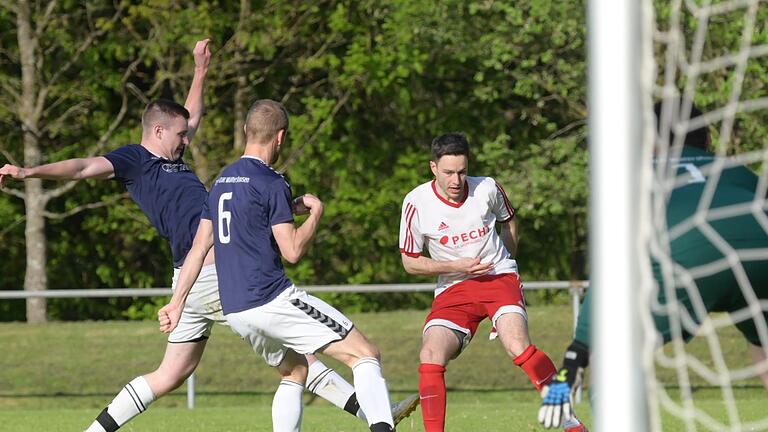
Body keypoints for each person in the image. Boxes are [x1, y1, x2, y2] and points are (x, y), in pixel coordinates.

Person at [0, 41, 416, 431]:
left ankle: (93, 430)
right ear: (158, 131)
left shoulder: (179, 156)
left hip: (191, 274)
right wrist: (29, 172)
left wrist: (201, 69)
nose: (188, 139)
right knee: (300, 356)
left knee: (171, 373)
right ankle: (375, 413)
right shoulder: (135, 160)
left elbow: (191, 115)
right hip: (215, 275)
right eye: (181, 135)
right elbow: (81, 167)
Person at [158, 99, 396, 432]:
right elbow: (293, 250)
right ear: (280, 137)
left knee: (295, 370)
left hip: (237, 310)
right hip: (271, 299)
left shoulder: (222, 181)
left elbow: (198, 248)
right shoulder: (272, 182)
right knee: (365, 354)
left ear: (246, 131)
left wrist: (176, 303)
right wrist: (315, 214)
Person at [537, 100, 768, 429]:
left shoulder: (633, 177)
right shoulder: (736, 170)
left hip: (689, 252)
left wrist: (580, 347)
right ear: (705, 141)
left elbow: (610, 270)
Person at [397, 132, 588, 432]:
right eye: (448, 172)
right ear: (433, 167)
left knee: (517, 345)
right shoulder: (416, 202)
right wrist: (455, 266)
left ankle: (572, 425)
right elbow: (410, 261)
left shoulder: (487, 188)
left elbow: (508, 220)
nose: (456, 180)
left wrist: (507, 263)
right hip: (453, 287)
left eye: (462, 171)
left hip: (499, 278)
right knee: (430, 354)